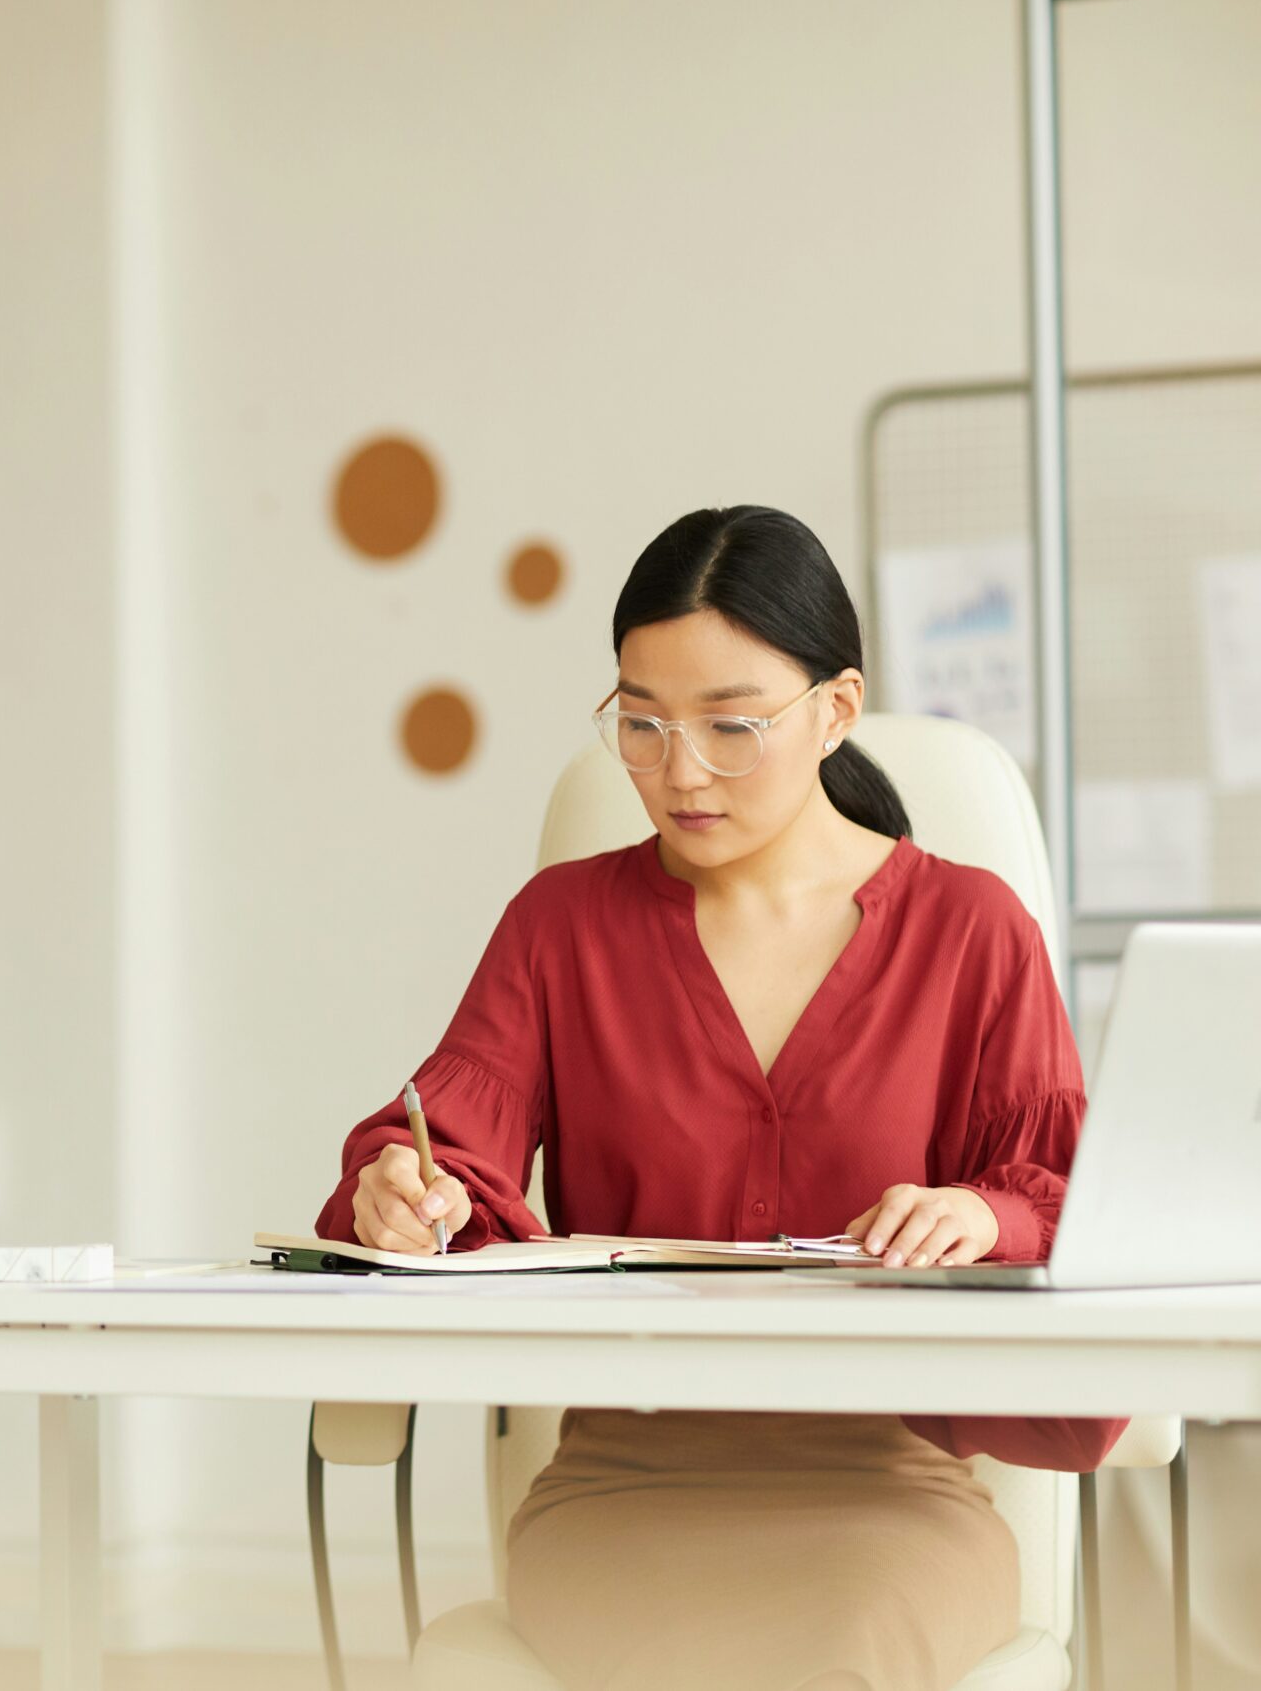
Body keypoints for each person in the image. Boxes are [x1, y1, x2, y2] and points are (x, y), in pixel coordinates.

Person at [314, 504, 1123, 1691]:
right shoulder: (561, 929)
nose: (677, 772)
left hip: (891, 1496)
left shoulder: (971, 930)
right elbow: (442, 1153)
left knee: (837, 1652)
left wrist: (983, 1218)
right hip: (623, 1492)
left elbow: (1074, 1201)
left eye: (729, 727)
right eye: (639, 725)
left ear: (834, 710)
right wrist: (402, 1192)